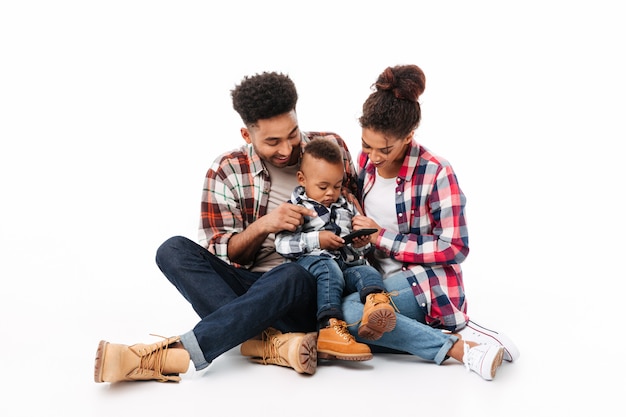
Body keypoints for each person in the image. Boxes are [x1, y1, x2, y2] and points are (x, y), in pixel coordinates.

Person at [93, 71, 359, 383]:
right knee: (172, 250)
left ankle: (165, 356)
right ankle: (270, 343)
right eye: (272, 141)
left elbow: (352, 213)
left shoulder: (330, 148)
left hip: (311, 288)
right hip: (252, 287)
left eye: (292, 134)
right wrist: (264, 226)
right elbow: (226, 254)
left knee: (290, 273)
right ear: (248, 136)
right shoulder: (226, 171)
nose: (287, 149)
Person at [340, 64, 520, 381]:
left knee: (351, 315)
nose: (374, 156)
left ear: (409, 137)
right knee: (338, 321)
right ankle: (451, 333)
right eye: (367, 144)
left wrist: (379, 237)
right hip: (378, 282)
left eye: (385, 148)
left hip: (427, 282)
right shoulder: (366, 161)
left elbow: (456, 247)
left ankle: (459, 348)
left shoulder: (437, 172)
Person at [274, 138, 396, 362]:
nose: (331, 193)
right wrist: (317, 240)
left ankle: (376, 306)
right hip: (313, 265)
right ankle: (329, 326)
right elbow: (281, 244)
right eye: (323, 187)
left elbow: (360, 245)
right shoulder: (297, 207)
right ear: (302, 179)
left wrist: (362, 243)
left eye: (337, 185)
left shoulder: (345, 205)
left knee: (366, 272)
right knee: (329, 268)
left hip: (346, 264)